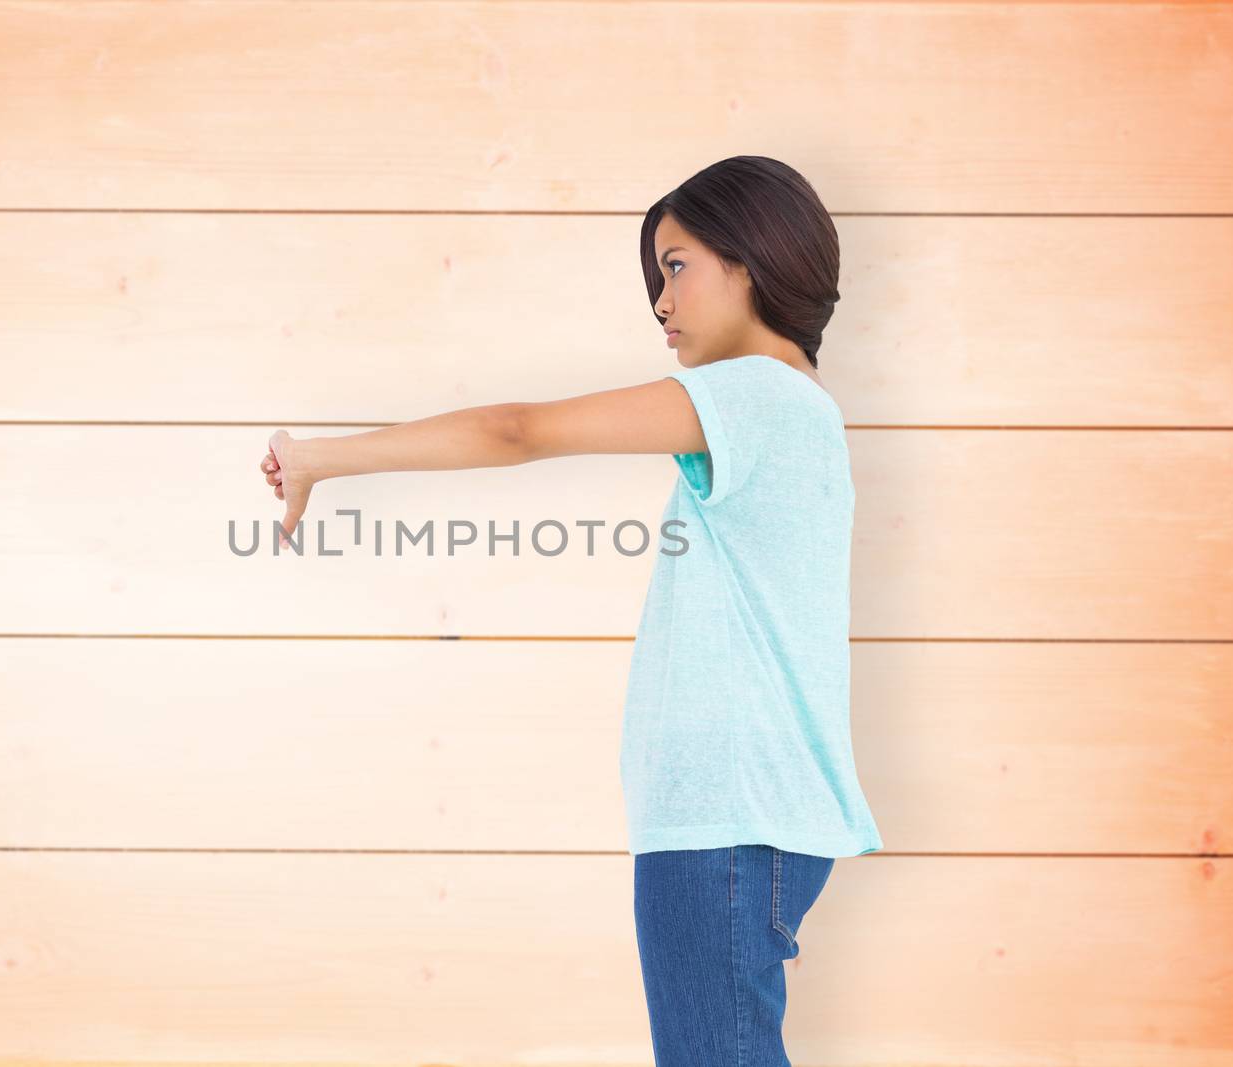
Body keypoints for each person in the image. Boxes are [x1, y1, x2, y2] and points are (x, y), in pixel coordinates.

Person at [256, 155, 882, 1066]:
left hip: (726, 825)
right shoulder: (793, 415)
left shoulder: (756, 398)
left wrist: (320, 457)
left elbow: (520, 429)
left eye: (676, 267)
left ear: (750, 258)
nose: (660, 304)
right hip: (742, 825)